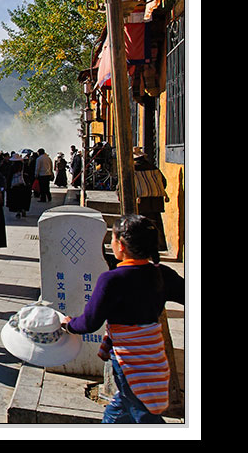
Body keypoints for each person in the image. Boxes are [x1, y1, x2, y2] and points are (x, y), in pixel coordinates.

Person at [62, 214, 184, 423]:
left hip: (129, 361)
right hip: (154, 356)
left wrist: (69, 325)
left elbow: (90, 322)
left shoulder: (112, 279)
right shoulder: (162, 273)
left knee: (144, 417)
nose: (111, 244)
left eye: (113, 239)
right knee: (121, 409)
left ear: (122, 245)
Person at [132, 147, 170, 261]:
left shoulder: (132, 169)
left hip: (141, 201)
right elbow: (163, 182)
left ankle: (143, 248)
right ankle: (160, 245)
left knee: (141, 225)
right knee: (156, 223)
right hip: (156, 201)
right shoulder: (154, 168)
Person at [5, 152, 31, 219]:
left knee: (16, 200)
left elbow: (9, 177)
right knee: (23, 199)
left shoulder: (12, 167)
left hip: (15, 186)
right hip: (24, 185)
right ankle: (23, 209)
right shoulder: (24, 166)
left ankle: (18, 212)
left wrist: (7, 186)